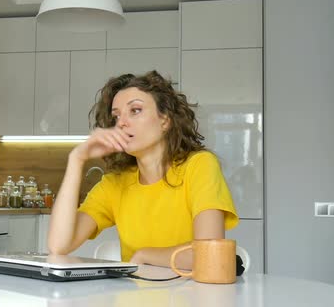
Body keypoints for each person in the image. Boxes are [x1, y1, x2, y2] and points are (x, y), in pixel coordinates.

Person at [48, 70, 238, 269]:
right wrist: (76, 159)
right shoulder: (115, 184)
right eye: (116, 116)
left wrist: (145, 255)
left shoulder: (200, 165)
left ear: (165, 120)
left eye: (135, 110)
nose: (121, 122)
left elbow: (209, 254)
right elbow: (59, 246)